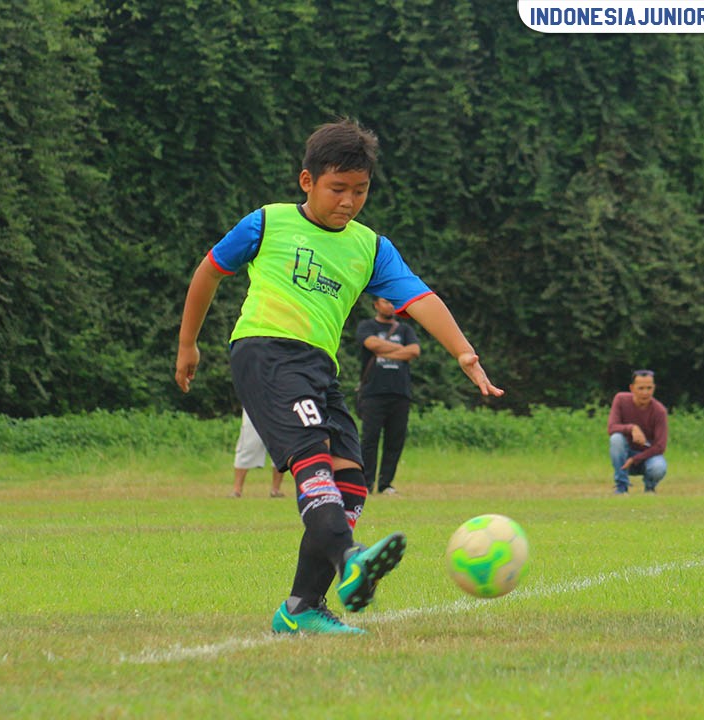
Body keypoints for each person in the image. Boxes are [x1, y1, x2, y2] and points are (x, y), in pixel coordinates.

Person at [175, 118, 503, 635]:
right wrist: (188, 343)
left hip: (318, 369)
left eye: (360, 190)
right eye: (337, 189)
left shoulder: (370, 247)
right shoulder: (267, 222)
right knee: (312, 461)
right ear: (307, 182)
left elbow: (420, 298)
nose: (349, 201)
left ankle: (302, 607)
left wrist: (464, 353)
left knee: (351, 482)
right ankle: (350, 558)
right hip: (265, 353)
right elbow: (209, 271)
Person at [356, 296, 420, 495]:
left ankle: (385, 485)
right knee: (369, 439)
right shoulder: (367, 325)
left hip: (400, 393)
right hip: (373, 393)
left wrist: (386, 351)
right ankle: (366, 484)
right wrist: (401, 350)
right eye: (386, 302)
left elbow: (415, 350)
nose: (390, 306)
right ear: (376, 304)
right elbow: (371, 344)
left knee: (395, 440)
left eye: (393, 302)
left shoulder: (405, 329)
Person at [607, 370, 668, 494]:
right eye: (641, 388)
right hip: (624, 455)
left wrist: (635, 459)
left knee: (659, 467)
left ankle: (649, 488)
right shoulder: (620, 399)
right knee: (616, 438)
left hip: (647, 455)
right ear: (632, 388)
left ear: (654, 388)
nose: (645, 393)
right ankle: (621, 487)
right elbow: (611, 428)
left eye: (649, 388)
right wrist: (632, 428)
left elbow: (660, 447)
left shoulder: (659, 411)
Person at [232, 408, 285, 498]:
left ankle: (275, 490)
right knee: (248, 444)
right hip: (254, 404)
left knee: (280, 445)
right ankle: (236, 490)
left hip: (278, 402)